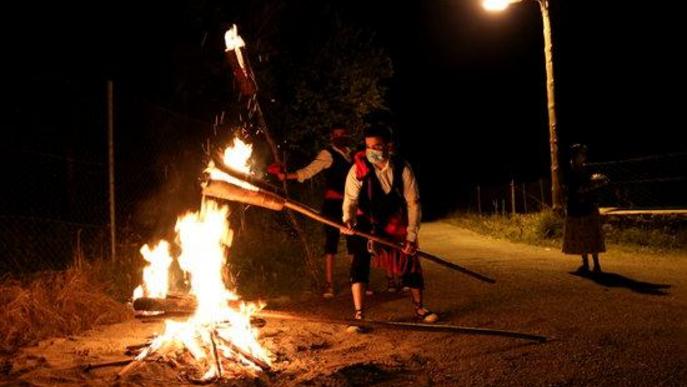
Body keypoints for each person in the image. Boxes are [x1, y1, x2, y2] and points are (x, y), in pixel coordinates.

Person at [341, 127, 438, 328]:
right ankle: (359, 315)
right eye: (368, 146)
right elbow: (350, 199)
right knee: (359, 262)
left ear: (389, 146)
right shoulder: (358, 169)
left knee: (409, 258)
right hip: (366, 223)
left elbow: (413, 203)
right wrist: (348, 220)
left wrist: (411, 235)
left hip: (394, 222)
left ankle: (419, 308)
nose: (371, 151)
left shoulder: (403, 168)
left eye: (376, 146)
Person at [275, 125, 354, 298]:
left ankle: (356, 280)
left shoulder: (351, 154)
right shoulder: (327, 154)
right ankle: (329, 285)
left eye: (343, 134)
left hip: (352, 204)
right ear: (332, 137)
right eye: (337, 134)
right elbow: (309, 171)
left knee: (354, 241)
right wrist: (287, 176)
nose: (340, 137)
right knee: (331, 242)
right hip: (333, 204)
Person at [562, 144, 609, 273]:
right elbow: (575, 190)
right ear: (575, 156)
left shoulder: (585, 169)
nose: (584, 157)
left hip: (587, 205)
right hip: (577, 207)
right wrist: (593, 185)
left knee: (592, 235)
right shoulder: (571, 172)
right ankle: (586, 263)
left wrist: (597, 183)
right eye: (581, 154)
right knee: (581, 235)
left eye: (583, 154)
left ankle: (596, 264)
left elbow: (586, 186)